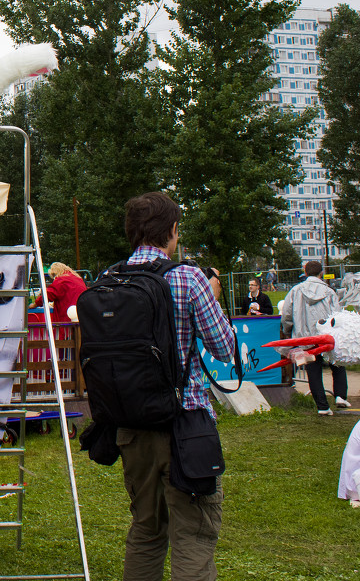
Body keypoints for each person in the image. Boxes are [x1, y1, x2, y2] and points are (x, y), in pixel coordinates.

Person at [115, 192, 235, 580]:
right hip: (185, 426)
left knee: (147, 530)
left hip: (132, 427)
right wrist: (212, 299)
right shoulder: (187, 277)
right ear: (172, 231)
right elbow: (223, 347)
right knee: (195, 532)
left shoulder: (109, 279)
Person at [283, 260, 349, 415]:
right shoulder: (330, 292)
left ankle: (322, 406)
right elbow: (337, 315)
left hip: (305, 337)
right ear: (321, 273)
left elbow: (286, 313)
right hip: (326, 336)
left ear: (305, 273)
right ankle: (340, 395)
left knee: (313, 370)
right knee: (337, 364)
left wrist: (288, 329)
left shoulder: (295, 291)